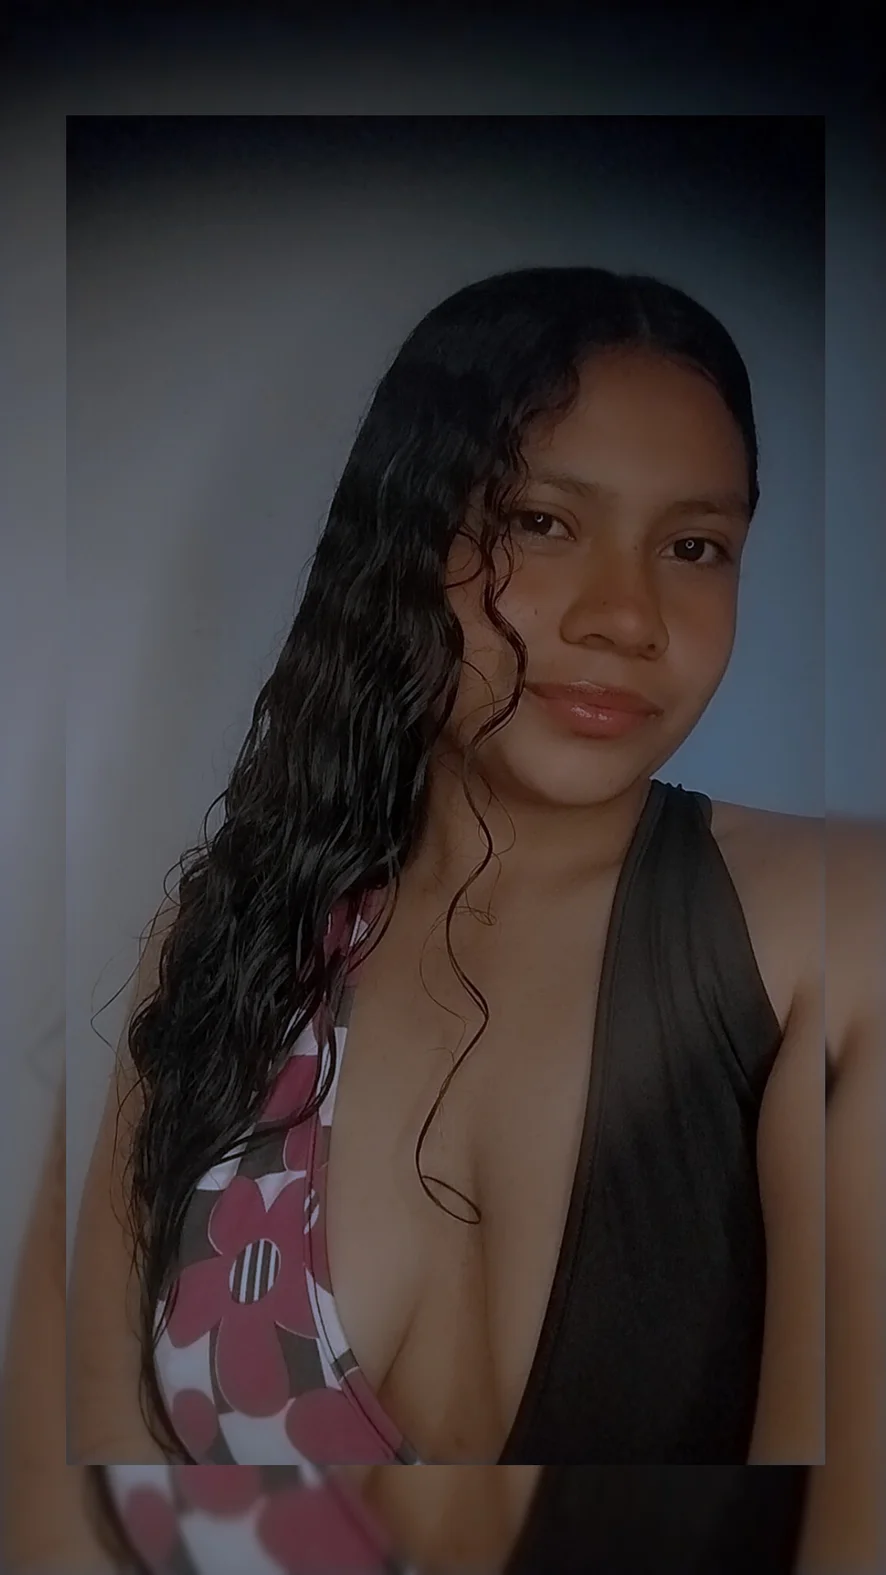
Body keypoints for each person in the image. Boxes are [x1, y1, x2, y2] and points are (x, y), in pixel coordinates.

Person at [53, 266, 880, 1573]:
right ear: (406, 535)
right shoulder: (221, 948)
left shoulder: (839, 936)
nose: (626, 617)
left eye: (694, 547)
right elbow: (63, 1509)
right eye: (543, 523)